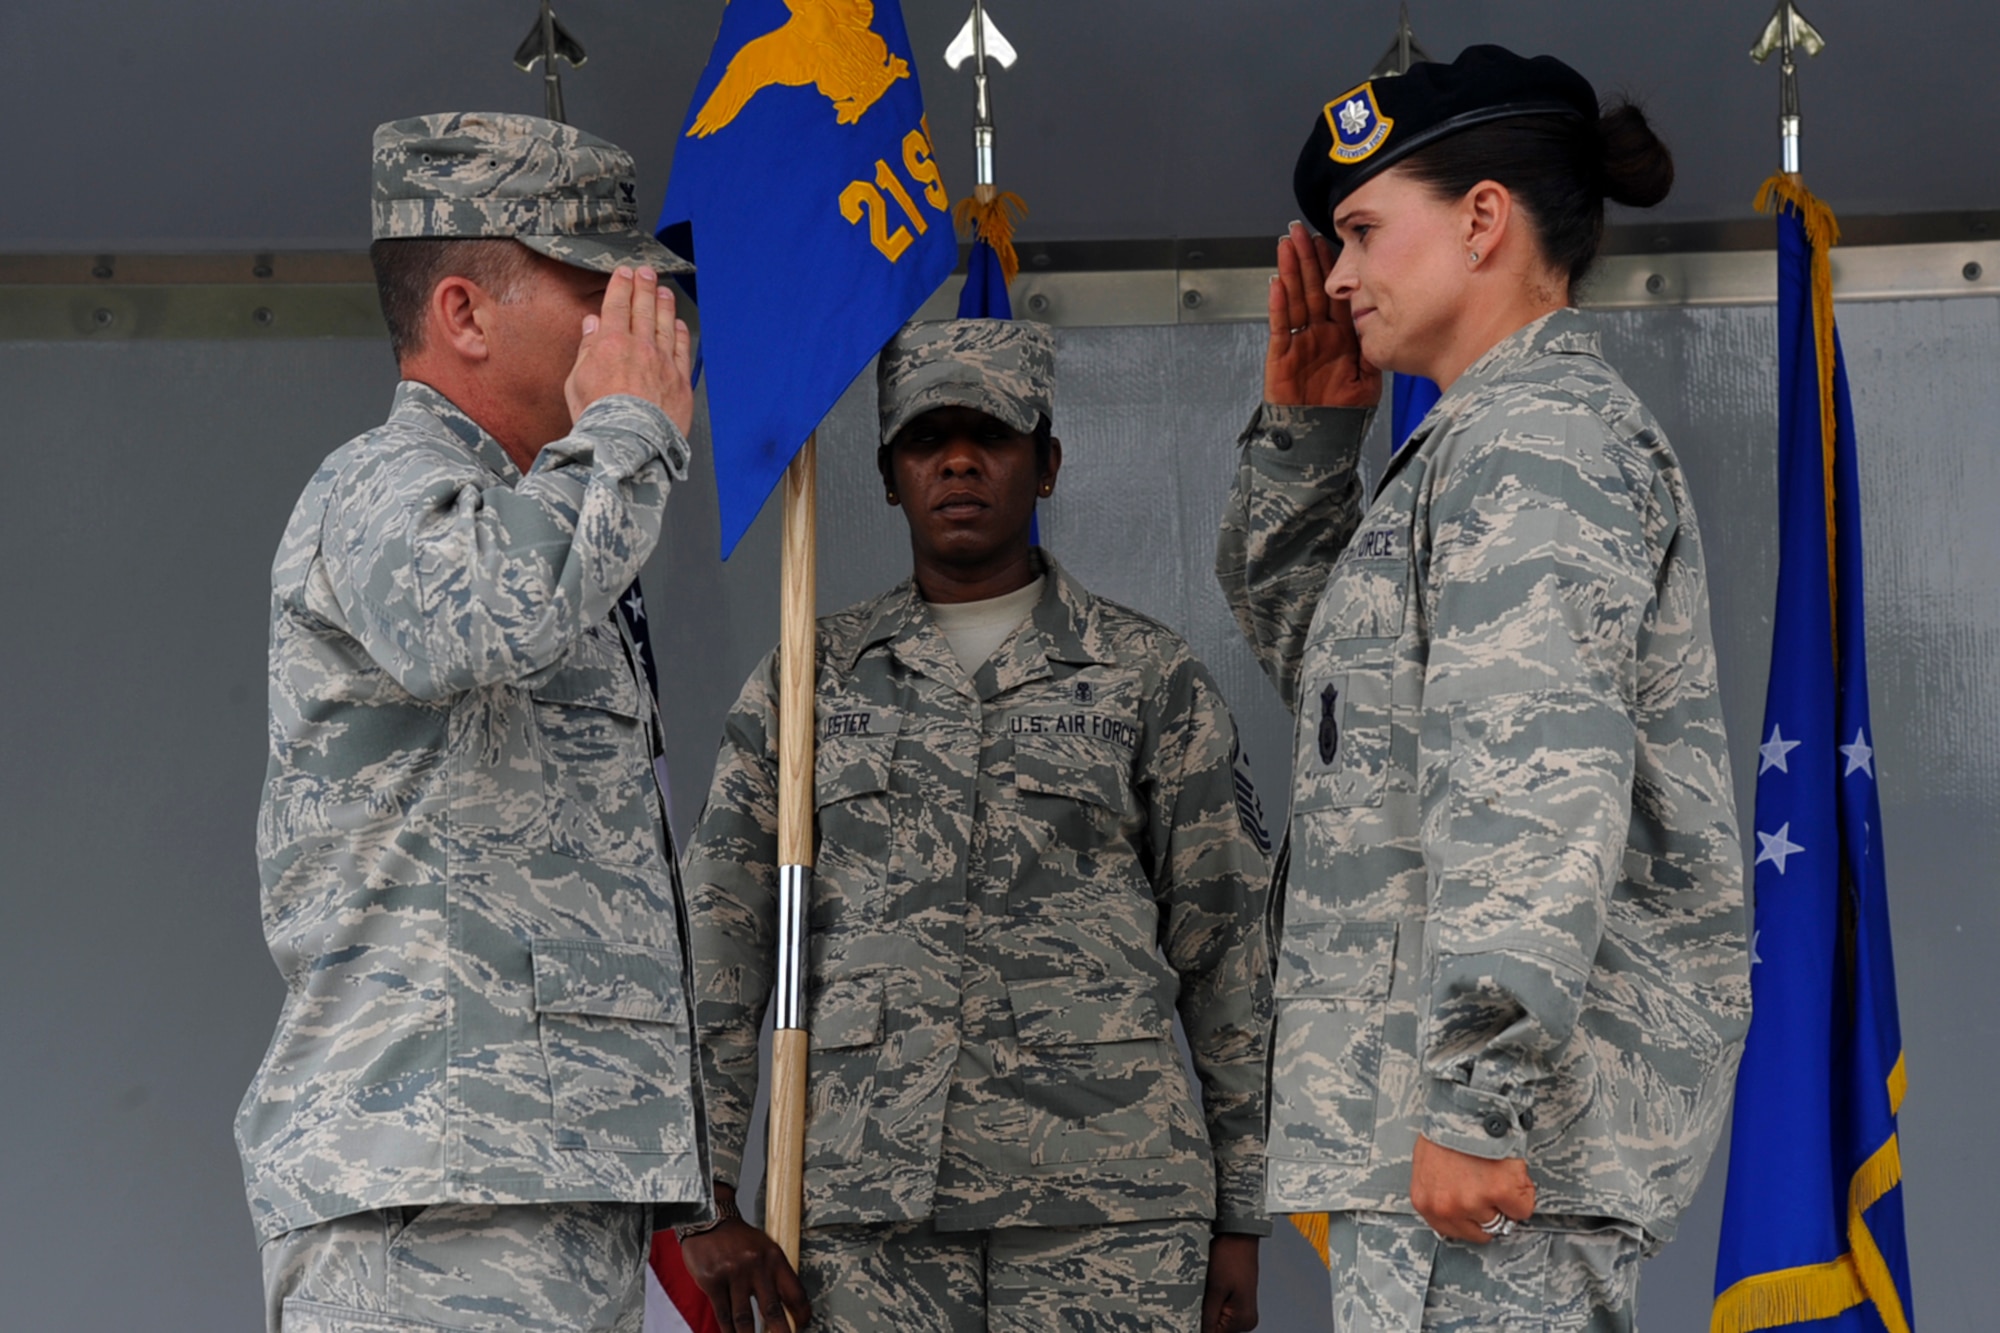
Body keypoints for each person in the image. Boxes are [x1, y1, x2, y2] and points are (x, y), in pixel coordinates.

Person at [1215, 47, 1751, 1331]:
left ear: (1480, 219)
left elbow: (1531, 784)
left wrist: (1468, 1095)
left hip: (1485, 1153)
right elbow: (1354, 717)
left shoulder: (1533, 439)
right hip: (1451, 1148)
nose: (1334, 275)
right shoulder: (1472, 437)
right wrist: (1306, 439)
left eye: (1357, 229)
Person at [679, 319, 1273, 1333]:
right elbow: (726, 935)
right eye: (926, 439)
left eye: (989, 434)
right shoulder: (805, 682)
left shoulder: (1144, 675)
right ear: (886, 473)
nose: (957, 460)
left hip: (1106, 1210)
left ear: (1044, 463)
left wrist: (1243, 1213)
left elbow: (1227, 946)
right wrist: (707, 1191)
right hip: (866, 1217)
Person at [239, 112, 711, 1333]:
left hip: (555, 1193)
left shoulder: (546, 524)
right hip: (431, 1202)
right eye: (598, 289)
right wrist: (631, 435)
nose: (639, 321)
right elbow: (476, 620)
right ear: (463, 313)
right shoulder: (379, 487)